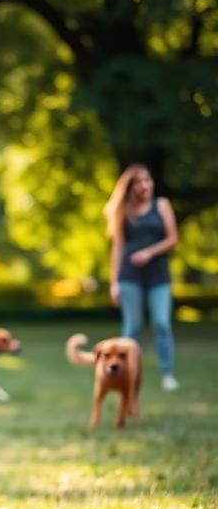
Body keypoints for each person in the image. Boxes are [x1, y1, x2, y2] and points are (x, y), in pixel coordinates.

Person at [104, 163, 180, 391]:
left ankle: (167, 374)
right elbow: (117, 248)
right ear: (130, 186)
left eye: (148, 180)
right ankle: (128, 375)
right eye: (140, 182)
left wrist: (149, 252)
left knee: (161, 323)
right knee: (131, 329)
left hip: (158, 277)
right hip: (129, 277)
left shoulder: (162, 205)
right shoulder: (123, 211)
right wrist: (113, 282)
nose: (145, 185)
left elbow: (173, 239)